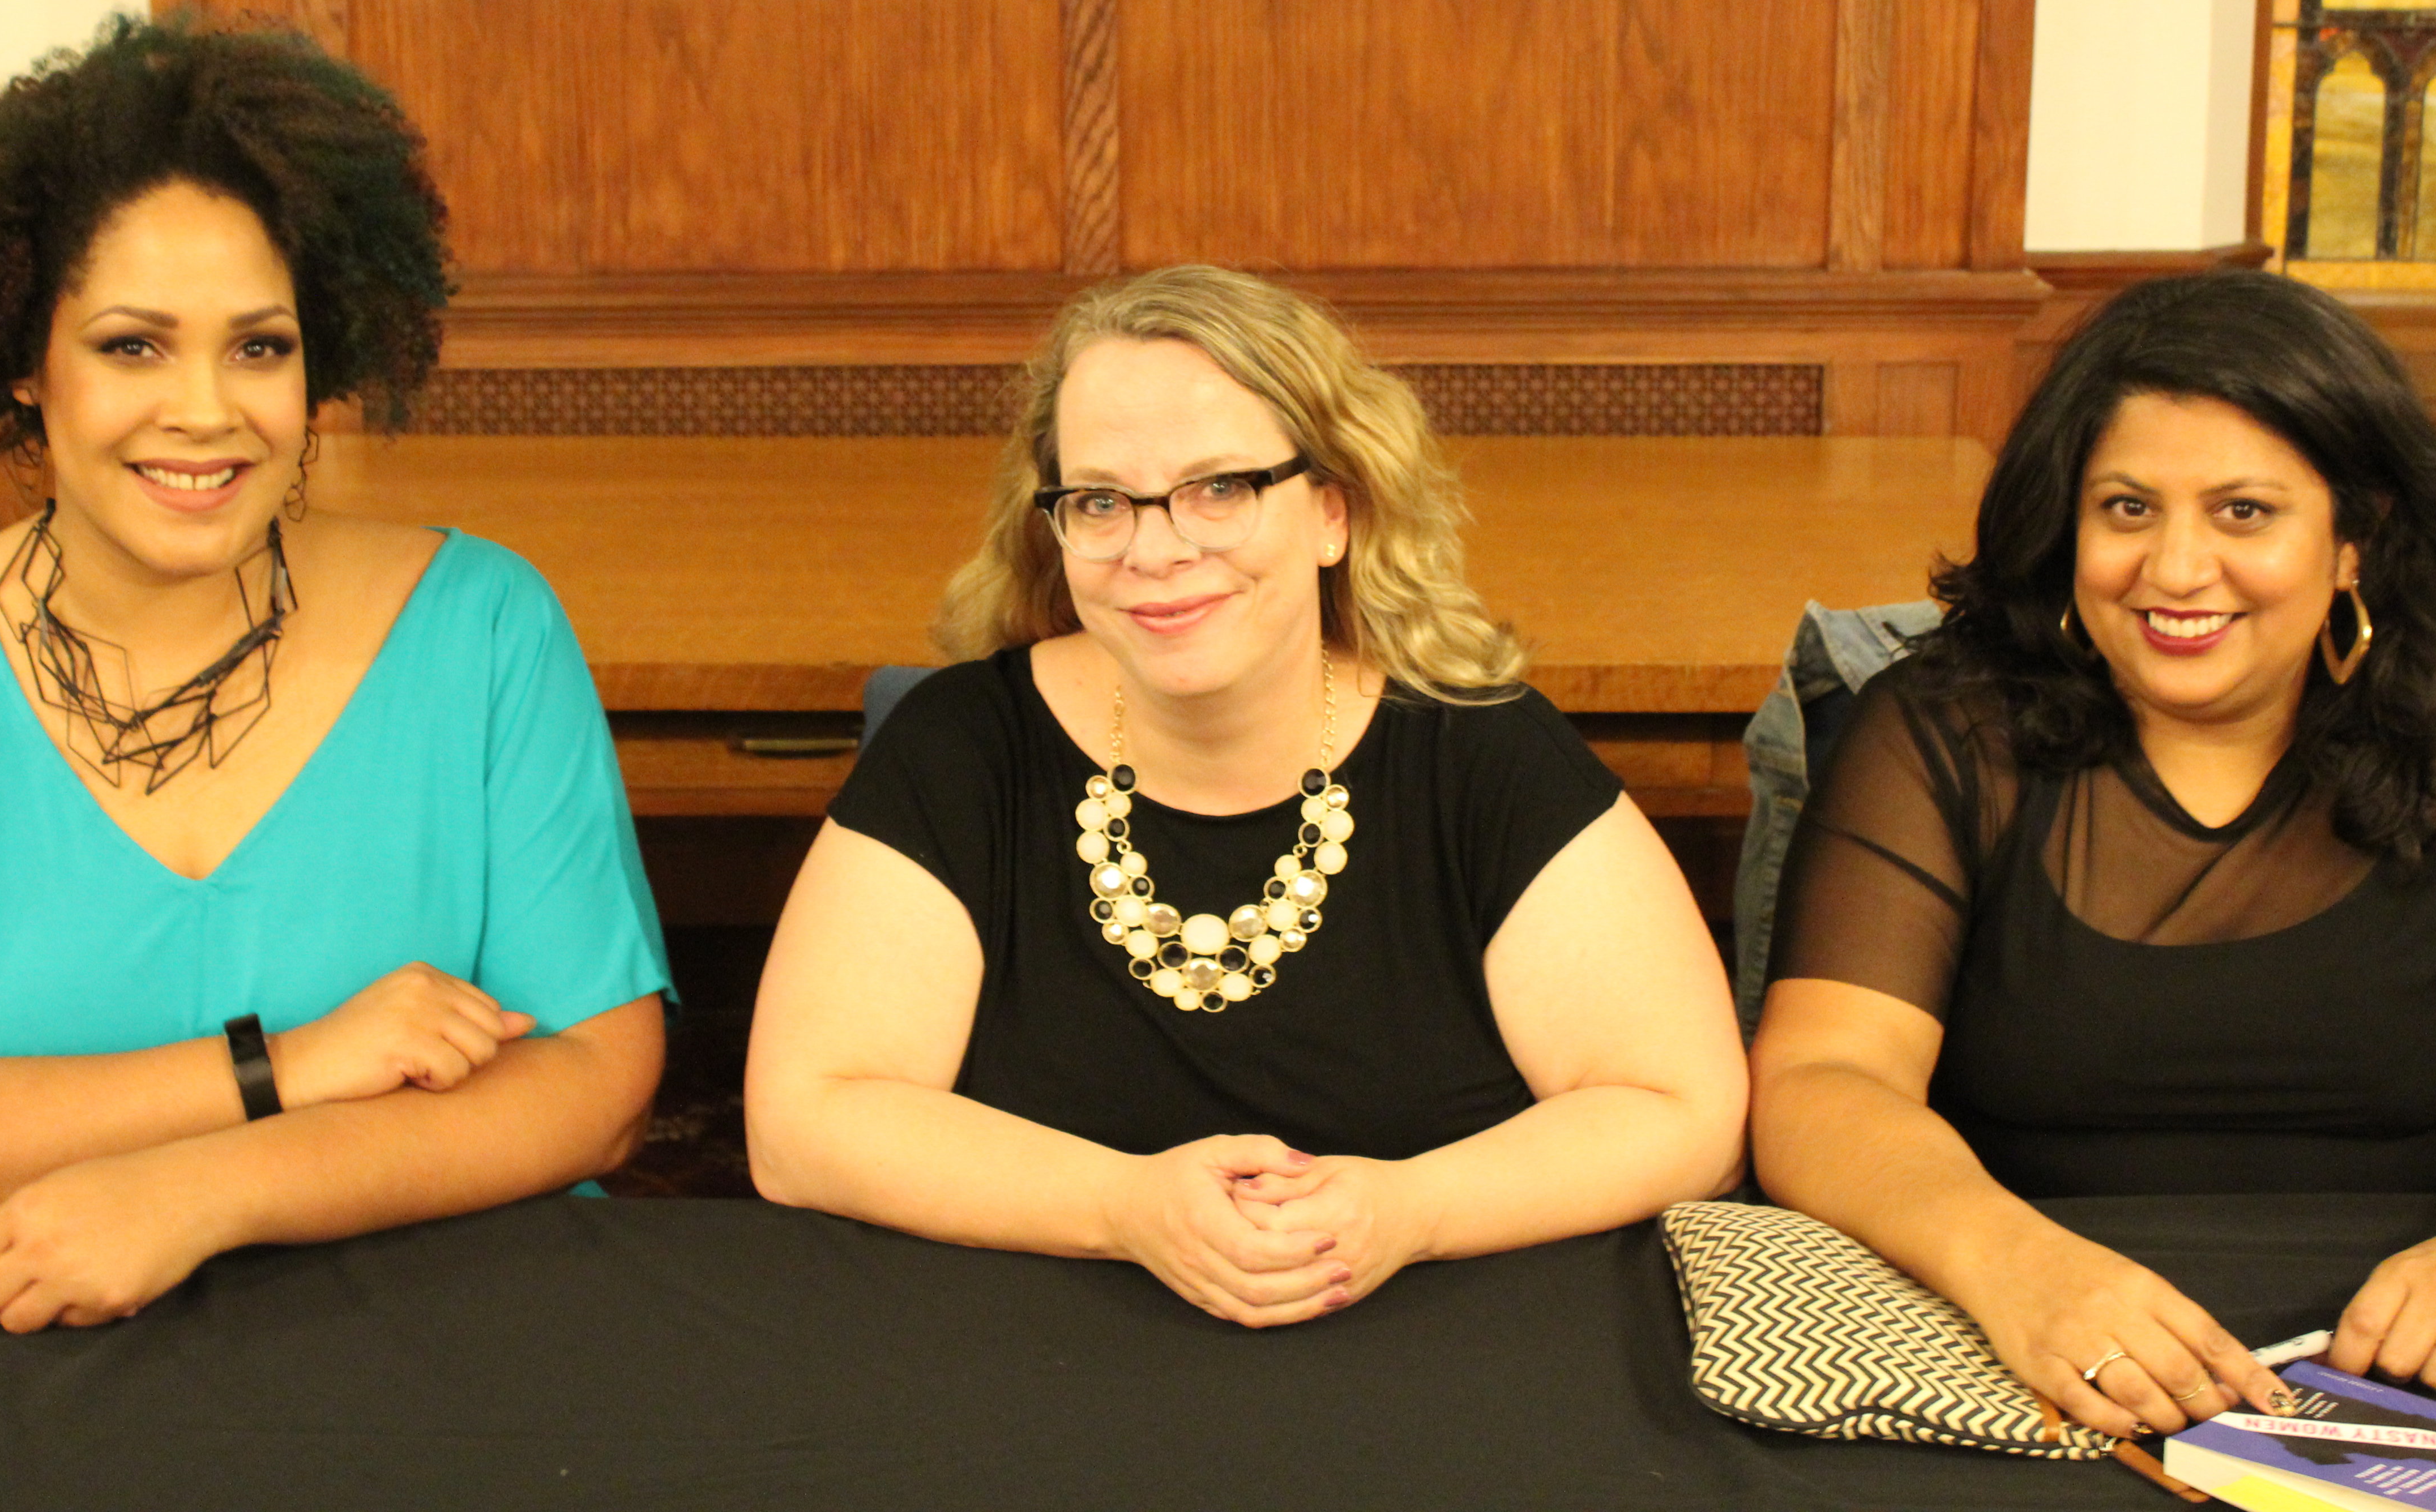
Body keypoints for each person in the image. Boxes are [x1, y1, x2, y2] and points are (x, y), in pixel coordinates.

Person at [0, 16, 671, 1331]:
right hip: (8, 1353)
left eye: (258, 346)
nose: (207, 410)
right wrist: (282, 1070)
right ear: (24, 365)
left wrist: (204, 1194)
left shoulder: (483, 626)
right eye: (132, 346)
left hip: (462, 1350)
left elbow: (598, 1084)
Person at [743, 264, 1746, 1327]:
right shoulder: (962, 748)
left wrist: (1413, 1208)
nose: (1158, 548)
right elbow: (805, 1122)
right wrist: (1123, 1207)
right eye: (1101, 500)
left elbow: (1684, 1112)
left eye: (1220, 487)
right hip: (1025, 1365)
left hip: (1432, 1363)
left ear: (1332, 512)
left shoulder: (1483, 755)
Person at [1751, 270, 2436, 1438]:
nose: (2177, 571)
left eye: (2243, 512)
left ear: (2359, 538)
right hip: (2011, 1331)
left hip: (2428, 1343)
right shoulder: (1949, 726)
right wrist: (2013, 1264)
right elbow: (1820, 1081)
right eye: (2129, 509)